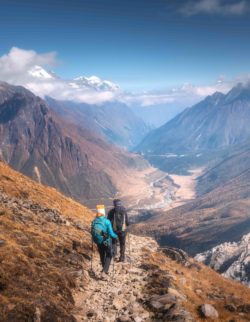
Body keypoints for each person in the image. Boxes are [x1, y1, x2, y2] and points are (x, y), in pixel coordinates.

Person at [91, 205, 117, 277]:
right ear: (103, 212)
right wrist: (116, 236)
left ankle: (104, 269)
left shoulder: (94, 221)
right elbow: (111, 234)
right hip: (106, 241)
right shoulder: (107, 221)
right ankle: (105, 271)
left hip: (98, 241)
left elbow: (92, 231)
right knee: (109, 254)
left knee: (102, 255)